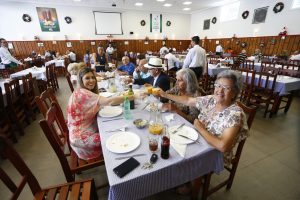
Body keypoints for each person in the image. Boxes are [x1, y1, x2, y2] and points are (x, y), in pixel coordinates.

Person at [157, 70, 249, 167]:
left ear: (234, 93)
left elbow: (223, 146)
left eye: (226, 88)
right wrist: (165, 95)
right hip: (197, 140)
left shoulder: (235, 114)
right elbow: (188, 100)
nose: (220, 91)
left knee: (174, 160)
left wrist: (200, 128)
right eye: (218, 85)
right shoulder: (211, 99)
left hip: (212, 153)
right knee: (168, 143)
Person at [67, 67, 134, 160]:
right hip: (81, 139)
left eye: (92, 77)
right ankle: (118, 160)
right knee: (116, 137)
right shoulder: (82, 93)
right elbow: (109, 102)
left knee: (114, 127)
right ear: (81, 80)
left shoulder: (81, 91)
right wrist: (133, 96)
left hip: (82, 131)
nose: (91, 80)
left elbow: (103, 102)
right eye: (87, 78)